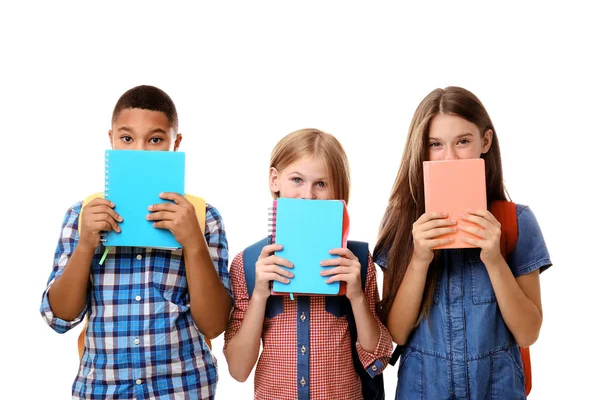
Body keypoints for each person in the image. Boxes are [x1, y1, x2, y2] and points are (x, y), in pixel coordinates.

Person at [40, 85, 232, 399]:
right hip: (103, 390)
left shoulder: (203, 217)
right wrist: (86, 243)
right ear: (111, 140)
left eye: (155, 139)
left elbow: (214, 326)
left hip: (183, 389)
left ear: (175, 143)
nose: (140, 150)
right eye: (127, 138)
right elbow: (59, 317)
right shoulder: (82, 215)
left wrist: (194, 244)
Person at [374, 86, 552, 399]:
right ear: (422, 149)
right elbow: (396, 333)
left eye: (463, 142)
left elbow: (528, 332)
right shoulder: (401, 221)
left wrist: (494, 259)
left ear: (485, 141)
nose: (450, 157)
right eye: (435, 145)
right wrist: (419, 259)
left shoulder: (517, 221)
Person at [223, 128, 392, 399]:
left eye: (321, 184)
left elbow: (379, 358)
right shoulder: (248, 263)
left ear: (339, 191)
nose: (308, 195)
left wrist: (357, 296)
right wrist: (259, 296)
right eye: (297, 180)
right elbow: (238, 370)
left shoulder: (357, 261)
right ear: (275, 180)